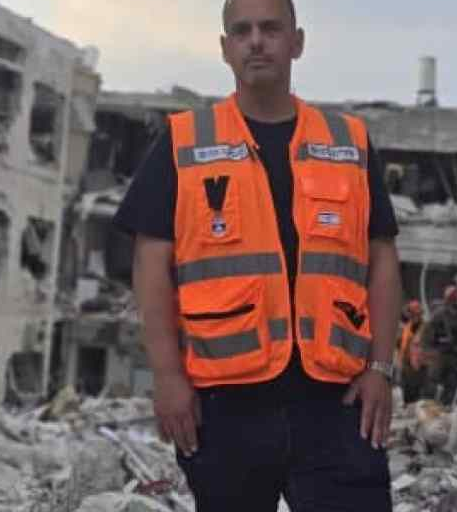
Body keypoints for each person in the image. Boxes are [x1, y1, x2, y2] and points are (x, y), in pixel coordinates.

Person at [112, 0, 402, 509]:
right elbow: (150, 265)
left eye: (271, 28)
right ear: (225, 48)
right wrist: (167, 377)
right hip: (226, 406)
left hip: (336, 403)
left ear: (297, 42)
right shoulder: (183, 141)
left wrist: (381, 368)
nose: (256, 41)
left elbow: (381, 259)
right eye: (241, 31)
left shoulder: (348, 143)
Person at [419, 286, 457, 404]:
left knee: (452, 384)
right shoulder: (439, 315)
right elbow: (427, 335)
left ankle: (445, 406)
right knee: (432, 382)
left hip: (455, 357)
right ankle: (427, 405)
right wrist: (432, 350)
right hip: (440, 355)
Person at [396, 300, 426, 405]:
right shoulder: (406, 328)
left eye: (416, 314)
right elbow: (400, 346)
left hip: (420, 369)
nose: (414, 317)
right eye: (412, 314)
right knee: (407, 398)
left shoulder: (426, 329)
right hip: (406, 368)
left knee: (419, 400)